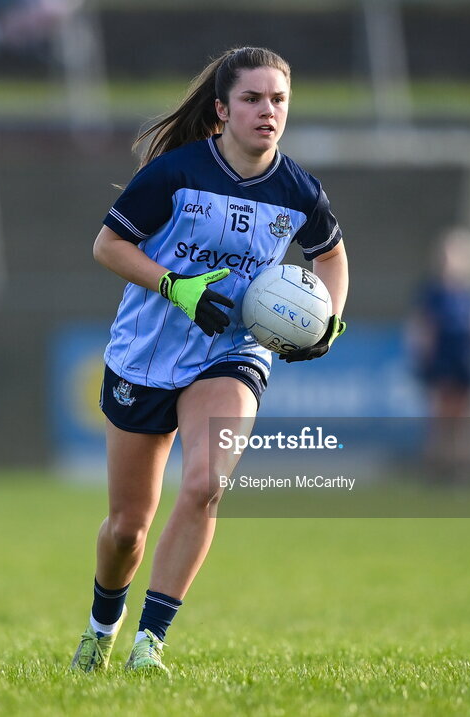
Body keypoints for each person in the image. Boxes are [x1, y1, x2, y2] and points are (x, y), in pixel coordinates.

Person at [70, 47, 349, 675]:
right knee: (125, 530)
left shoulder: (299, 190)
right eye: (252, 99)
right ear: (221, 111)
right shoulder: (176, 172)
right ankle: (101, 629)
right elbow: (107, 246)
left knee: (205, 484)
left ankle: (150, 645)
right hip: (146, 352)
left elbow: (330, 254)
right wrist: (176, 286)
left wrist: (329, 316)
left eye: (278, 100)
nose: (267, 111)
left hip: (232, 351)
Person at [406, 227, 470, 479]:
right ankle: (437, 469)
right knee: (441, 415)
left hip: (464, 359)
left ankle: (463, 470)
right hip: (441, 358)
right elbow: (423, 326)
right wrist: (423, 355)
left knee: (464, 418)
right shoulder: (431, 293)